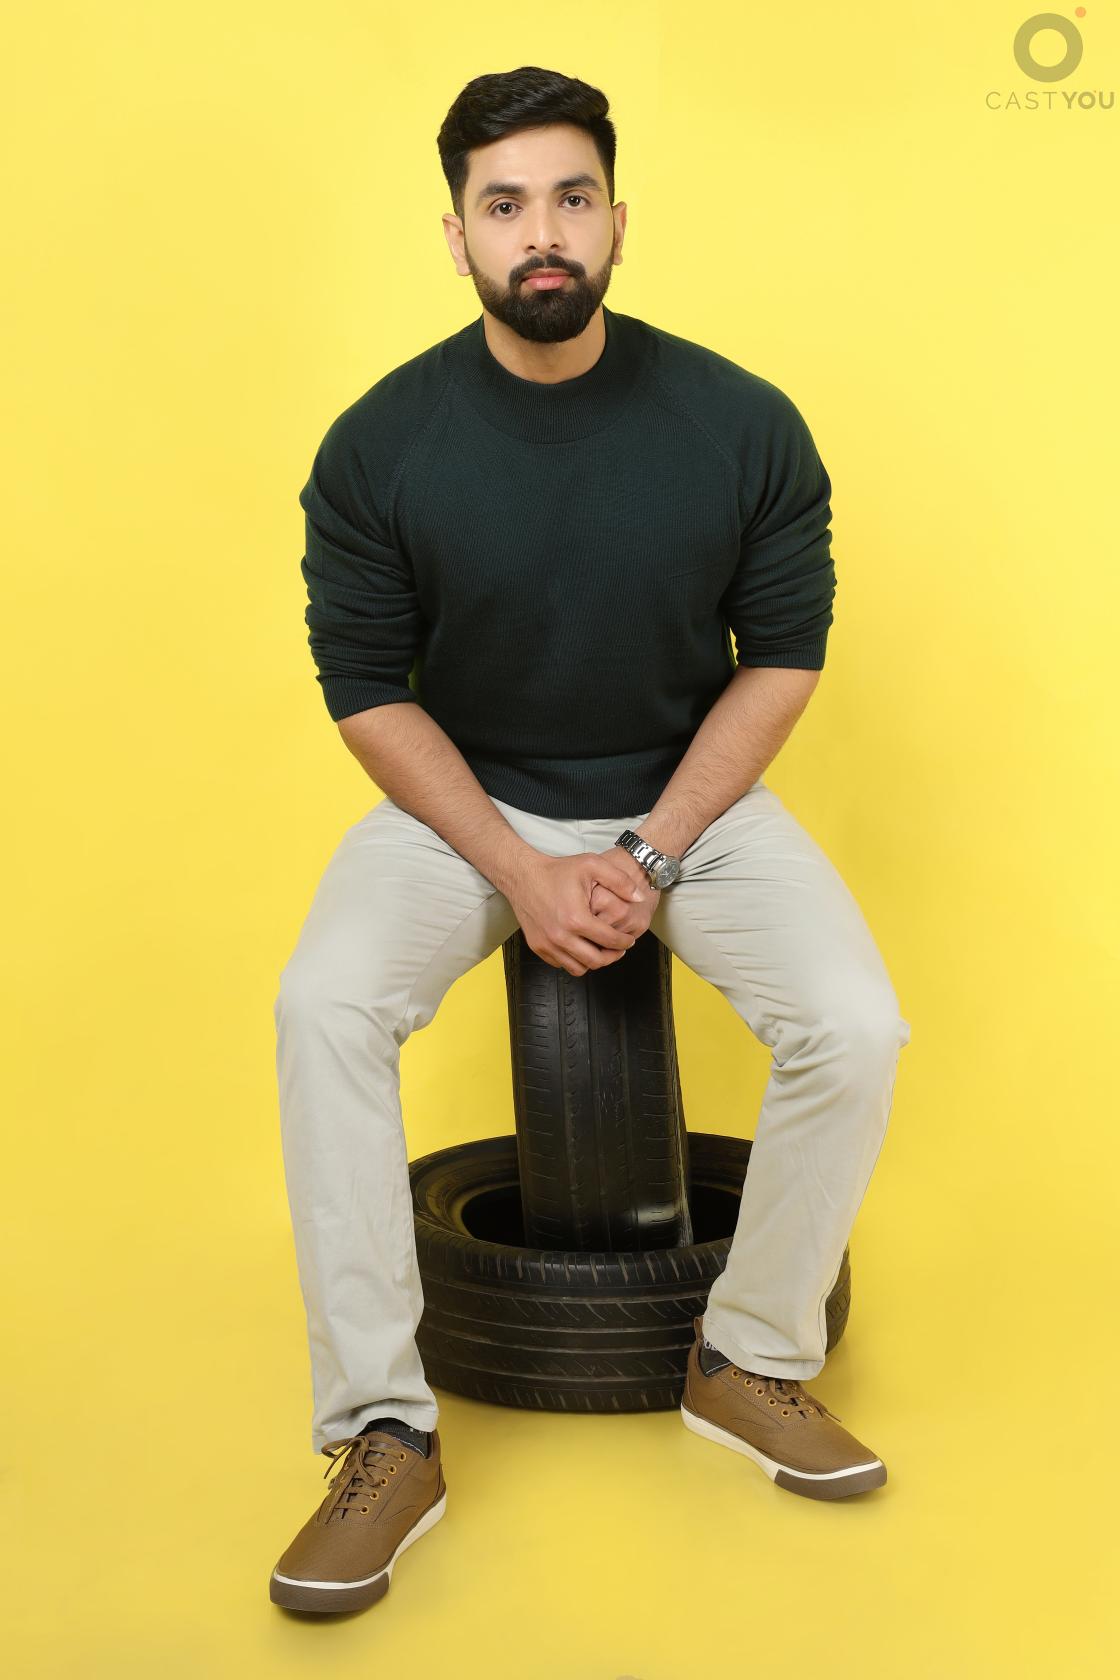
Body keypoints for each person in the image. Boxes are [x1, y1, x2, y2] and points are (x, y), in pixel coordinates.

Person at [269, 65, 912, 1615]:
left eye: (570, 198)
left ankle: (747, 1357)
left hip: (693, 798)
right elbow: (365, 689)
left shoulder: (740, 422)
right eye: (505, 206)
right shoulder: (380, 444)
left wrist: (652, 853)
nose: (541, 232)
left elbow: (783, 657)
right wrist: (518, 865)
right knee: (323, 1007)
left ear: (618, 219)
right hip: (464, 806)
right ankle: (381, 1433)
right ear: (458, 236)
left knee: (855, 1027)